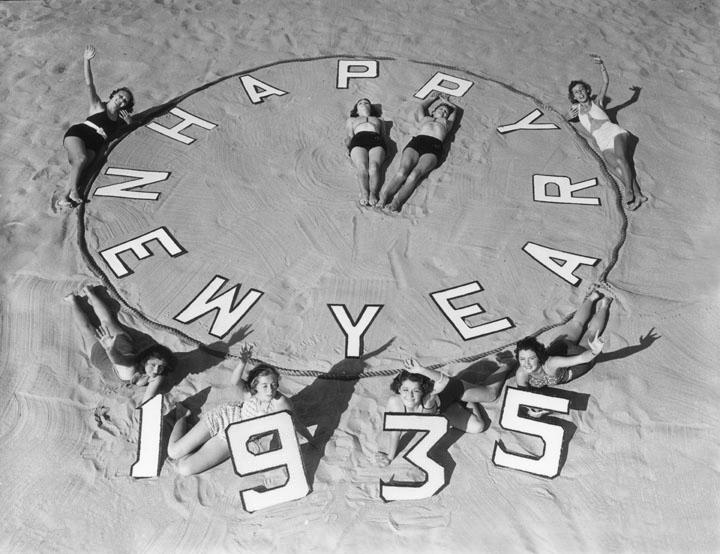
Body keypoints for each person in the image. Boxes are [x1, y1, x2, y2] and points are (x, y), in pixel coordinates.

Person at [167, 351, 298, 476]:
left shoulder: (280, 403)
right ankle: (182, 417)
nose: (270, 390)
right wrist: (242, 362)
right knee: (173, 452)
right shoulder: (250, 393)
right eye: (265, 386)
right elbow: (235, 381)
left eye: (274, 385)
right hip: (224, 417)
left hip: (233, 437)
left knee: (185, 469)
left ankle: (192, 446)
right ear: (255, 385)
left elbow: (289, 425)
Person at [375, 358, 509, 466]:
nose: (409, 395)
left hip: (454, 391)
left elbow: (444, 382)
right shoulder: (394, 403)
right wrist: (390, 457)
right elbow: (395, 432)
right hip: (445, 410)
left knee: (491, 395)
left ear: (423, 392)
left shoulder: (428, 399)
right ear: (398, 389)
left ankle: (509, 364)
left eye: (415, 390)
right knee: (478, 427)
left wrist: (421, 369)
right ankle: (467, 400)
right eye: (405, 390)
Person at [64, 285, 174, 404]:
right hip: (105, 356)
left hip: (115, 353)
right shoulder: (130, 369)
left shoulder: (156, 374)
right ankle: (73, 300)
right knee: (87, 329)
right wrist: (109, 349)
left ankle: (89, 293)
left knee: (106, 321)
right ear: (146, 360)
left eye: (161, 366)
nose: (157, 370)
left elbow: (148, 396)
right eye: (153, 365)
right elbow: (119, 360)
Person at [566, 54, 647, 210]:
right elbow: (565, 119)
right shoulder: (575, 111)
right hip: (602, 142)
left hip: (615, 133)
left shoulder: (597, 102)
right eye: (576, 92)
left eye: (582, 90)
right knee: (615, 168)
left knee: (622, 159)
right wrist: (568, 117)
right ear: (573, 96)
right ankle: (639, 196)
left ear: (587, 91)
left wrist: (601, 65)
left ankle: (628, 191)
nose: (580, 93)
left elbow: (605, 82)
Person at [60, 45, 134, 208]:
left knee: (81, 168)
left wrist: (129, 121)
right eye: (120, 96)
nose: (120, 100)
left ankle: (63, 198)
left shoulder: (120, 119)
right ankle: (73, 192)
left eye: (124, 101)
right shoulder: (98, 105)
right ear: (114, 94)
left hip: (94, 145)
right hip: (78, 134)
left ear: (125, 105)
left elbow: (132, 127)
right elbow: (89, 83)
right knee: (81, 159)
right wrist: (86, 60)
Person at [514, 288, 611, 390]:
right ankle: (593, 299)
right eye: (522, 359)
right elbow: (522, 393)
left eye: (531, 358)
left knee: (591, 331)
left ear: (539, 357)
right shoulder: (521, 373)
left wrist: (594, 351)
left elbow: (581, 358)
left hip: (574, 365)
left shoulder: (551, 364)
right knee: (576, 324)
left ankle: (604, 306)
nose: (526, 364)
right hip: (560, 348)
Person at [377, 92, 457, 212]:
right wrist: (432, 98)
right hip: (417, 142)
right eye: (441, 109)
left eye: (446, 112)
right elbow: (421, 107)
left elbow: (455, 110)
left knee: (414, 175)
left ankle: (396, 202)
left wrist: (447, 103)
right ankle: (384, 197)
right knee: (402, 172)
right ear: (434, 112)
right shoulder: (425, 118)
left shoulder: (447, 124)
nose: (444, 112)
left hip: (434, 147)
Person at [345, 98, 386, 206]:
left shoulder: (380, 119)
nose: (363, 104)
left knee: (374, 166)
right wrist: (348, 147)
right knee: (362, 166)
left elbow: (384, 136)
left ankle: (373, 193)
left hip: (376, 139)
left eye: (366, 103)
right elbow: (350, 135)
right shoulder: (351, 120)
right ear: (357, 110)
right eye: (360, 103)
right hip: (358, 139)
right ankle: (364, 193)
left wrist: (387, 149)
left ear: (370, 107)